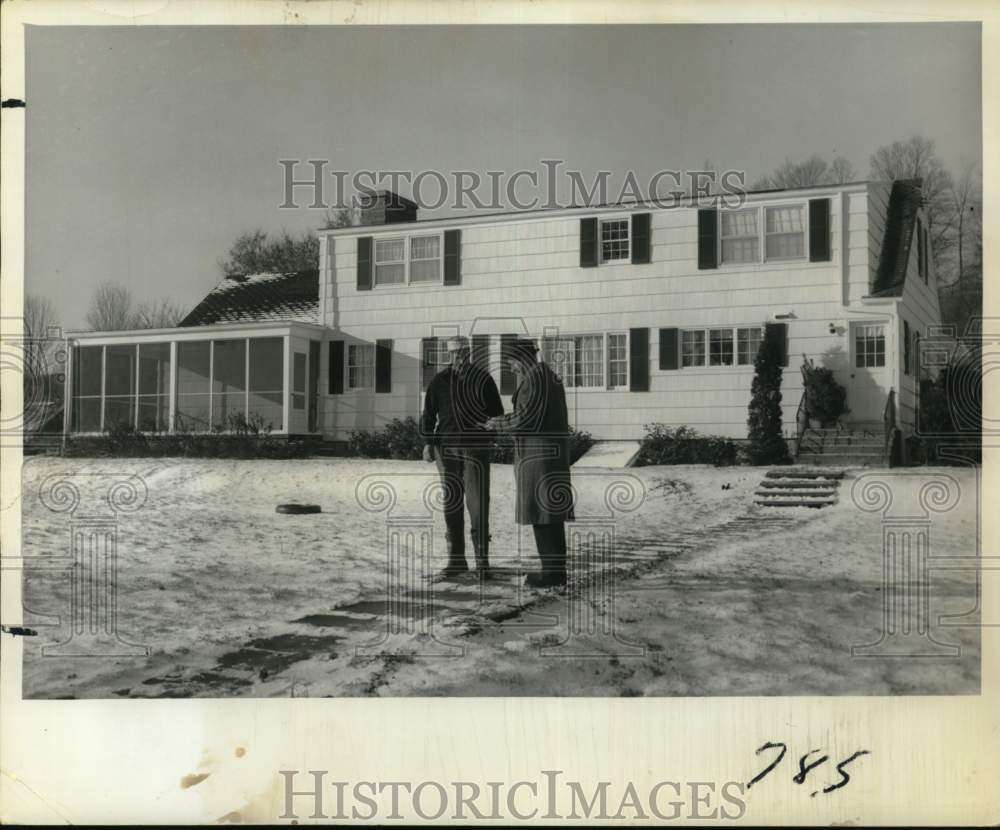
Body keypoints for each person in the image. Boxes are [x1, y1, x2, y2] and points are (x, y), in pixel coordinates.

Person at [485, 338, 574, 588]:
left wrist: (497, 423)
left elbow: (527, 419)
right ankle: (556, 571)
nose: (511, 368)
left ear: (523, 358)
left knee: (542, 514)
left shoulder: (534, 380)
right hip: (550, 456)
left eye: (512, 361)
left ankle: (552, 575)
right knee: (550, 515)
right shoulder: (548, 377)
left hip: (538, 457)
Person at [421, 335, 504, 579]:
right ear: (449, 355)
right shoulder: (439, 381)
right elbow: (428, 416)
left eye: (462, 352)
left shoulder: (483, 380)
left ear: (469, 353)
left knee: (478, 504)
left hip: (475, 449)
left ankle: (482, 563)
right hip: (446, 450)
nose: (458, 357)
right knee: (452, 502)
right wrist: (427, 444)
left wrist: (489, 433)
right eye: (454, 353)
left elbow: (496, 414)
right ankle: (456, 560)